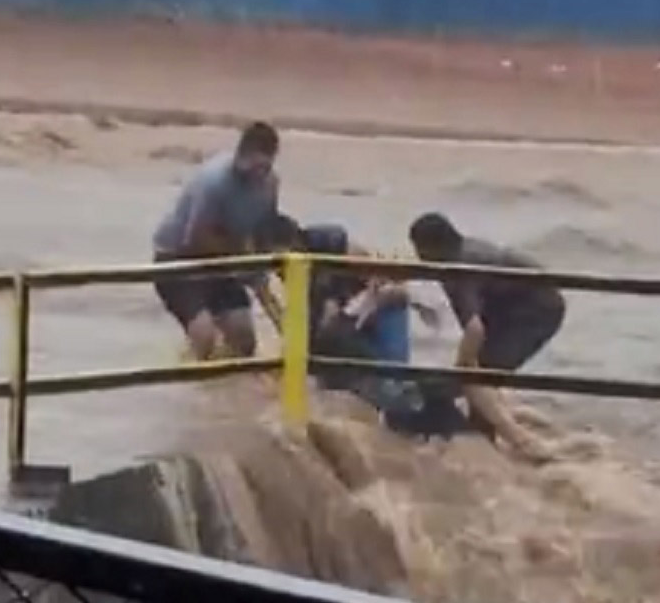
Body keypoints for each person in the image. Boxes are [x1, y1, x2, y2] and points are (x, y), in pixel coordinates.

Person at [265, 213, 475, 439]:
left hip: (373, 307)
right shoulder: (297, 273)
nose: (279, 271)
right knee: (326, 348)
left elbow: (376, 278)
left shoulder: (330, 243)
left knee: (375, 353)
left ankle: (405, 396)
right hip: (352, 320)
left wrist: (361, 298)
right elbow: (300, 319)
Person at [408, 212, 563, 462]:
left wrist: (464, 364)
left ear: (431, 248)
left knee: (484, 370)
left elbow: (474, 328)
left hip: (535, 312)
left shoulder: (458, 269)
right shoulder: (465, 249)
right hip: (518, 302)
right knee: (480, 369)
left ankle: (493, 442)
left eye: (418, 251)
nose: (419, 259)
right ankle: (487, 428)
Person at [151, 122, 283, 361]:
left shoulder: (270, 186)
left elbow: (264, 234)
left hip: (225, 260)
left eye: (263, 168)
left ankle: (223, 376)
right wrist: (241, 259)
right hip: (178, 260)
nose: (256, 174)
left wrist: (261, 272)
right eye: (251, 165)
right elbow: (196, 238)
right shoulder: (214, 182)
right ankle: (192, 372)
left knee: (244, 340)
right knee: (205, 337)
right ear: (240, 154)